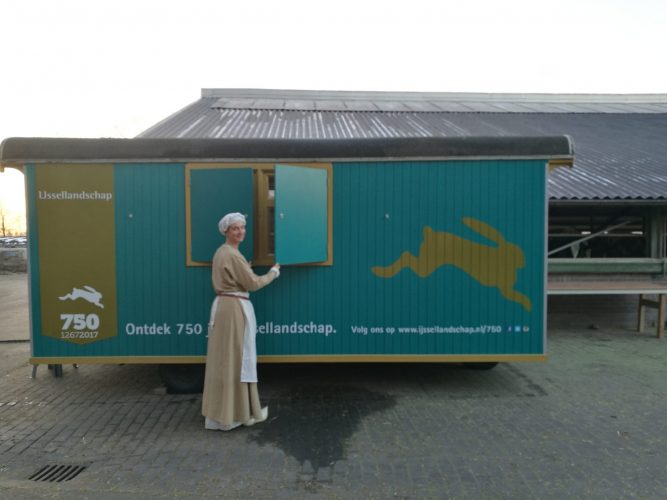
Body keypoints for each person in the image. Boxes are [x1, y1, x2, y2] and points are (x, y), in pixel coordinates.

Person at [202, 212, 280, 431]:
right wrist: (273, 272)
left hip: (224, 307)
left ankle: (220, 414)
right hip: (234, 309)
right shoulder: (233, 255)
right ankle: (238, 414)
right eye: (235, 228)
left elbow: (234, 274)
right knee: (237, 358)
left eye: (242, 227)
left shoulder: (222, 252)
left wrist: (244, 268)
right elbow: (253, 284)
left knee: (224, 359)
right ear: (226, 231)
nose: (240, 231)